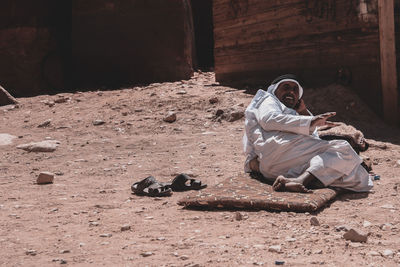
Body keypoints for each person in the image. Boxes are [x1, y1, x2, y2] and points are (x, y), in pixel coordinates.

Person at [243, 74, 373, 193]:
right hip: (280, 150)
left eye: (295, 90)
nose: (291, 92)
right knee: (342, 148)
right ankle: (302, 180)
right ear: (274, 90)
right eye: (286, 87)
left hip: (279, 166)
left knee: (357, 177)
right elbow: (269, 120)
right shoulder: (268, 100)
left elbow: (312, 137)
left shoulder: (291, 114)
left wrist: (303, 111)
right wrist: (311, 122)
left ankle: (293, 181)